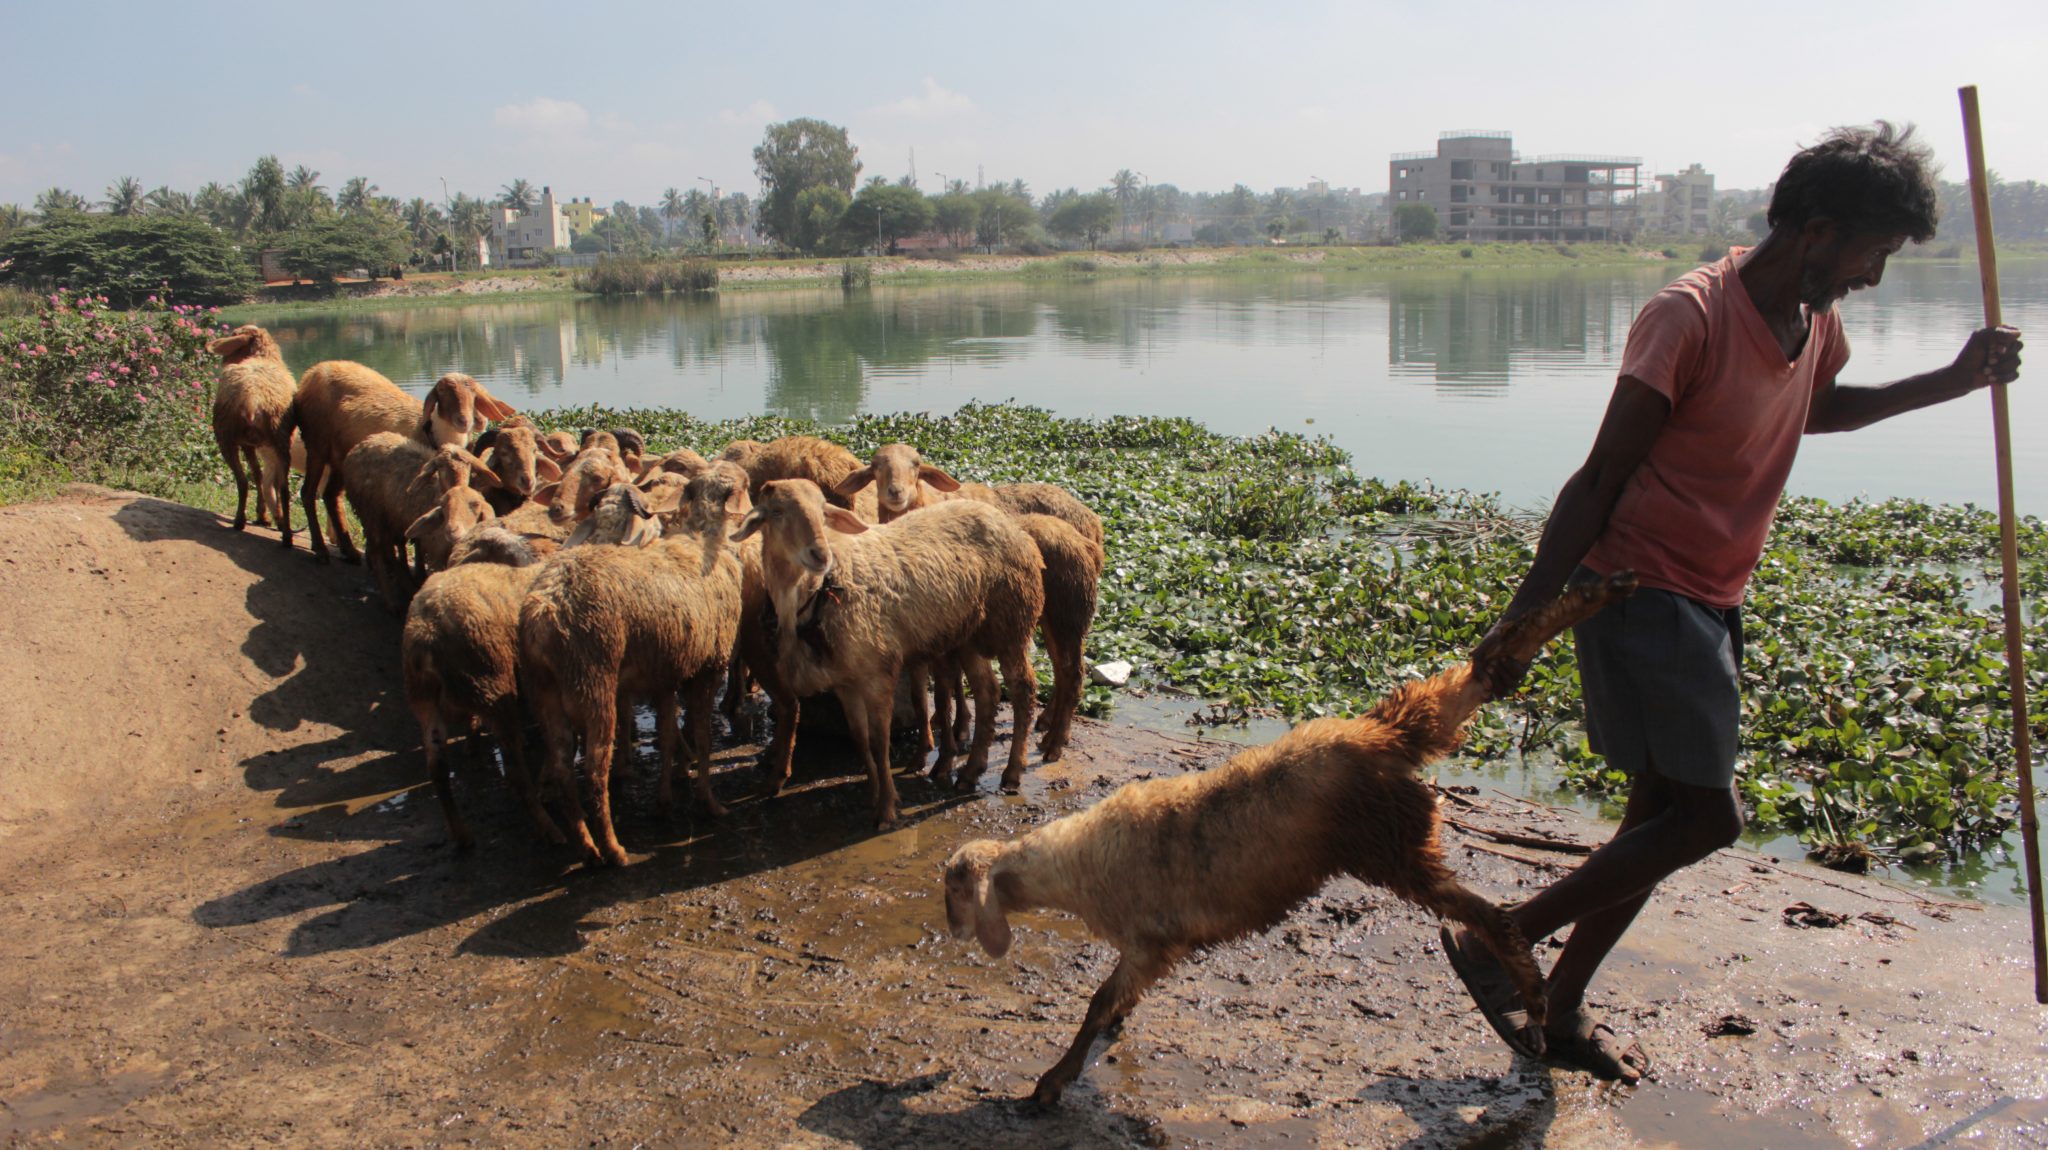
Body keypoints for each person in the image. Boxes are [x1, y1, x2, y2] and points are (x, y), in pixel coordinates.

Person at [1440, 122, 2024, 1081]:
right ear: (1819, 231)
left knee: (1652, 819)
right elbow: (1597, 479)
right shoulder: (1690, 317)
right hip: (1641, 586)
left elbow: (1813, 407)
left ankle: (1557, 1006)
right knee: (1710, 820)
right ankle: (1500, 940)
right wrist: (1523, 622)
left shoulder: (1813, 316)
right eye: (1872, 252)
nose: (1874, 275)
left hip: (1712, 590)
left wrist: (1952, 382)